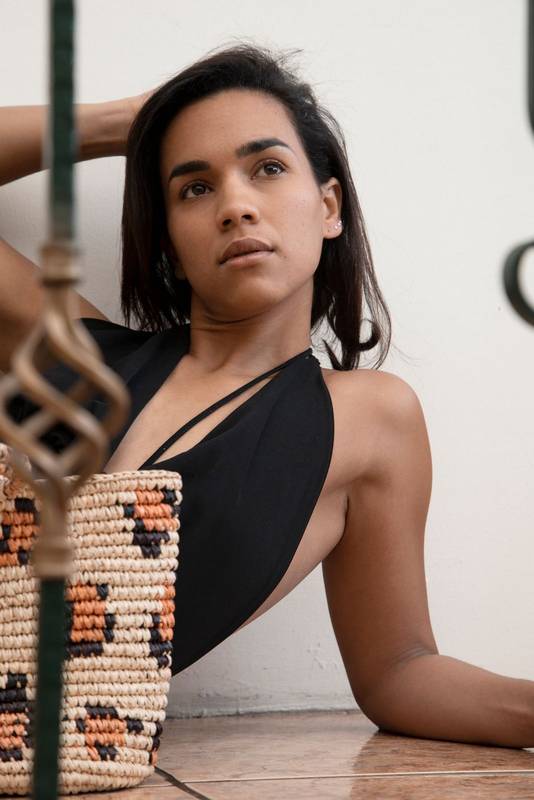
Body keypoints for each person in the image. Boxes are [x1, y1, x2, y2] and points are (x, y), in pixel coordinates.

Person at [1, 42, 533, 749]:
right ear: (168, 242)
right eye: (195, 187)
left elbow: (400, 671)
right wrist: (124, 122)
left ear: (329, 205)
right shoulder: (75, 351)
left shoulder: (367, 419)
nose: (236, 206)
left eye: (268, 168)